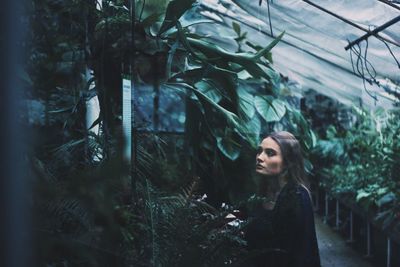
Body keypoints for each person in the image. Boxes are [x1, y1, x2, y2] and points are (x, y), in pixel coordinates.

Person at [244, 131, 321, 267]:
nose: (260, 157)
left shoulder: (297, 196)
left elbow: (302, 253)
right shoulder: (262, 192)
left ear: (287, 162)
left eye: (270, 153)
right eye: (260, 151)